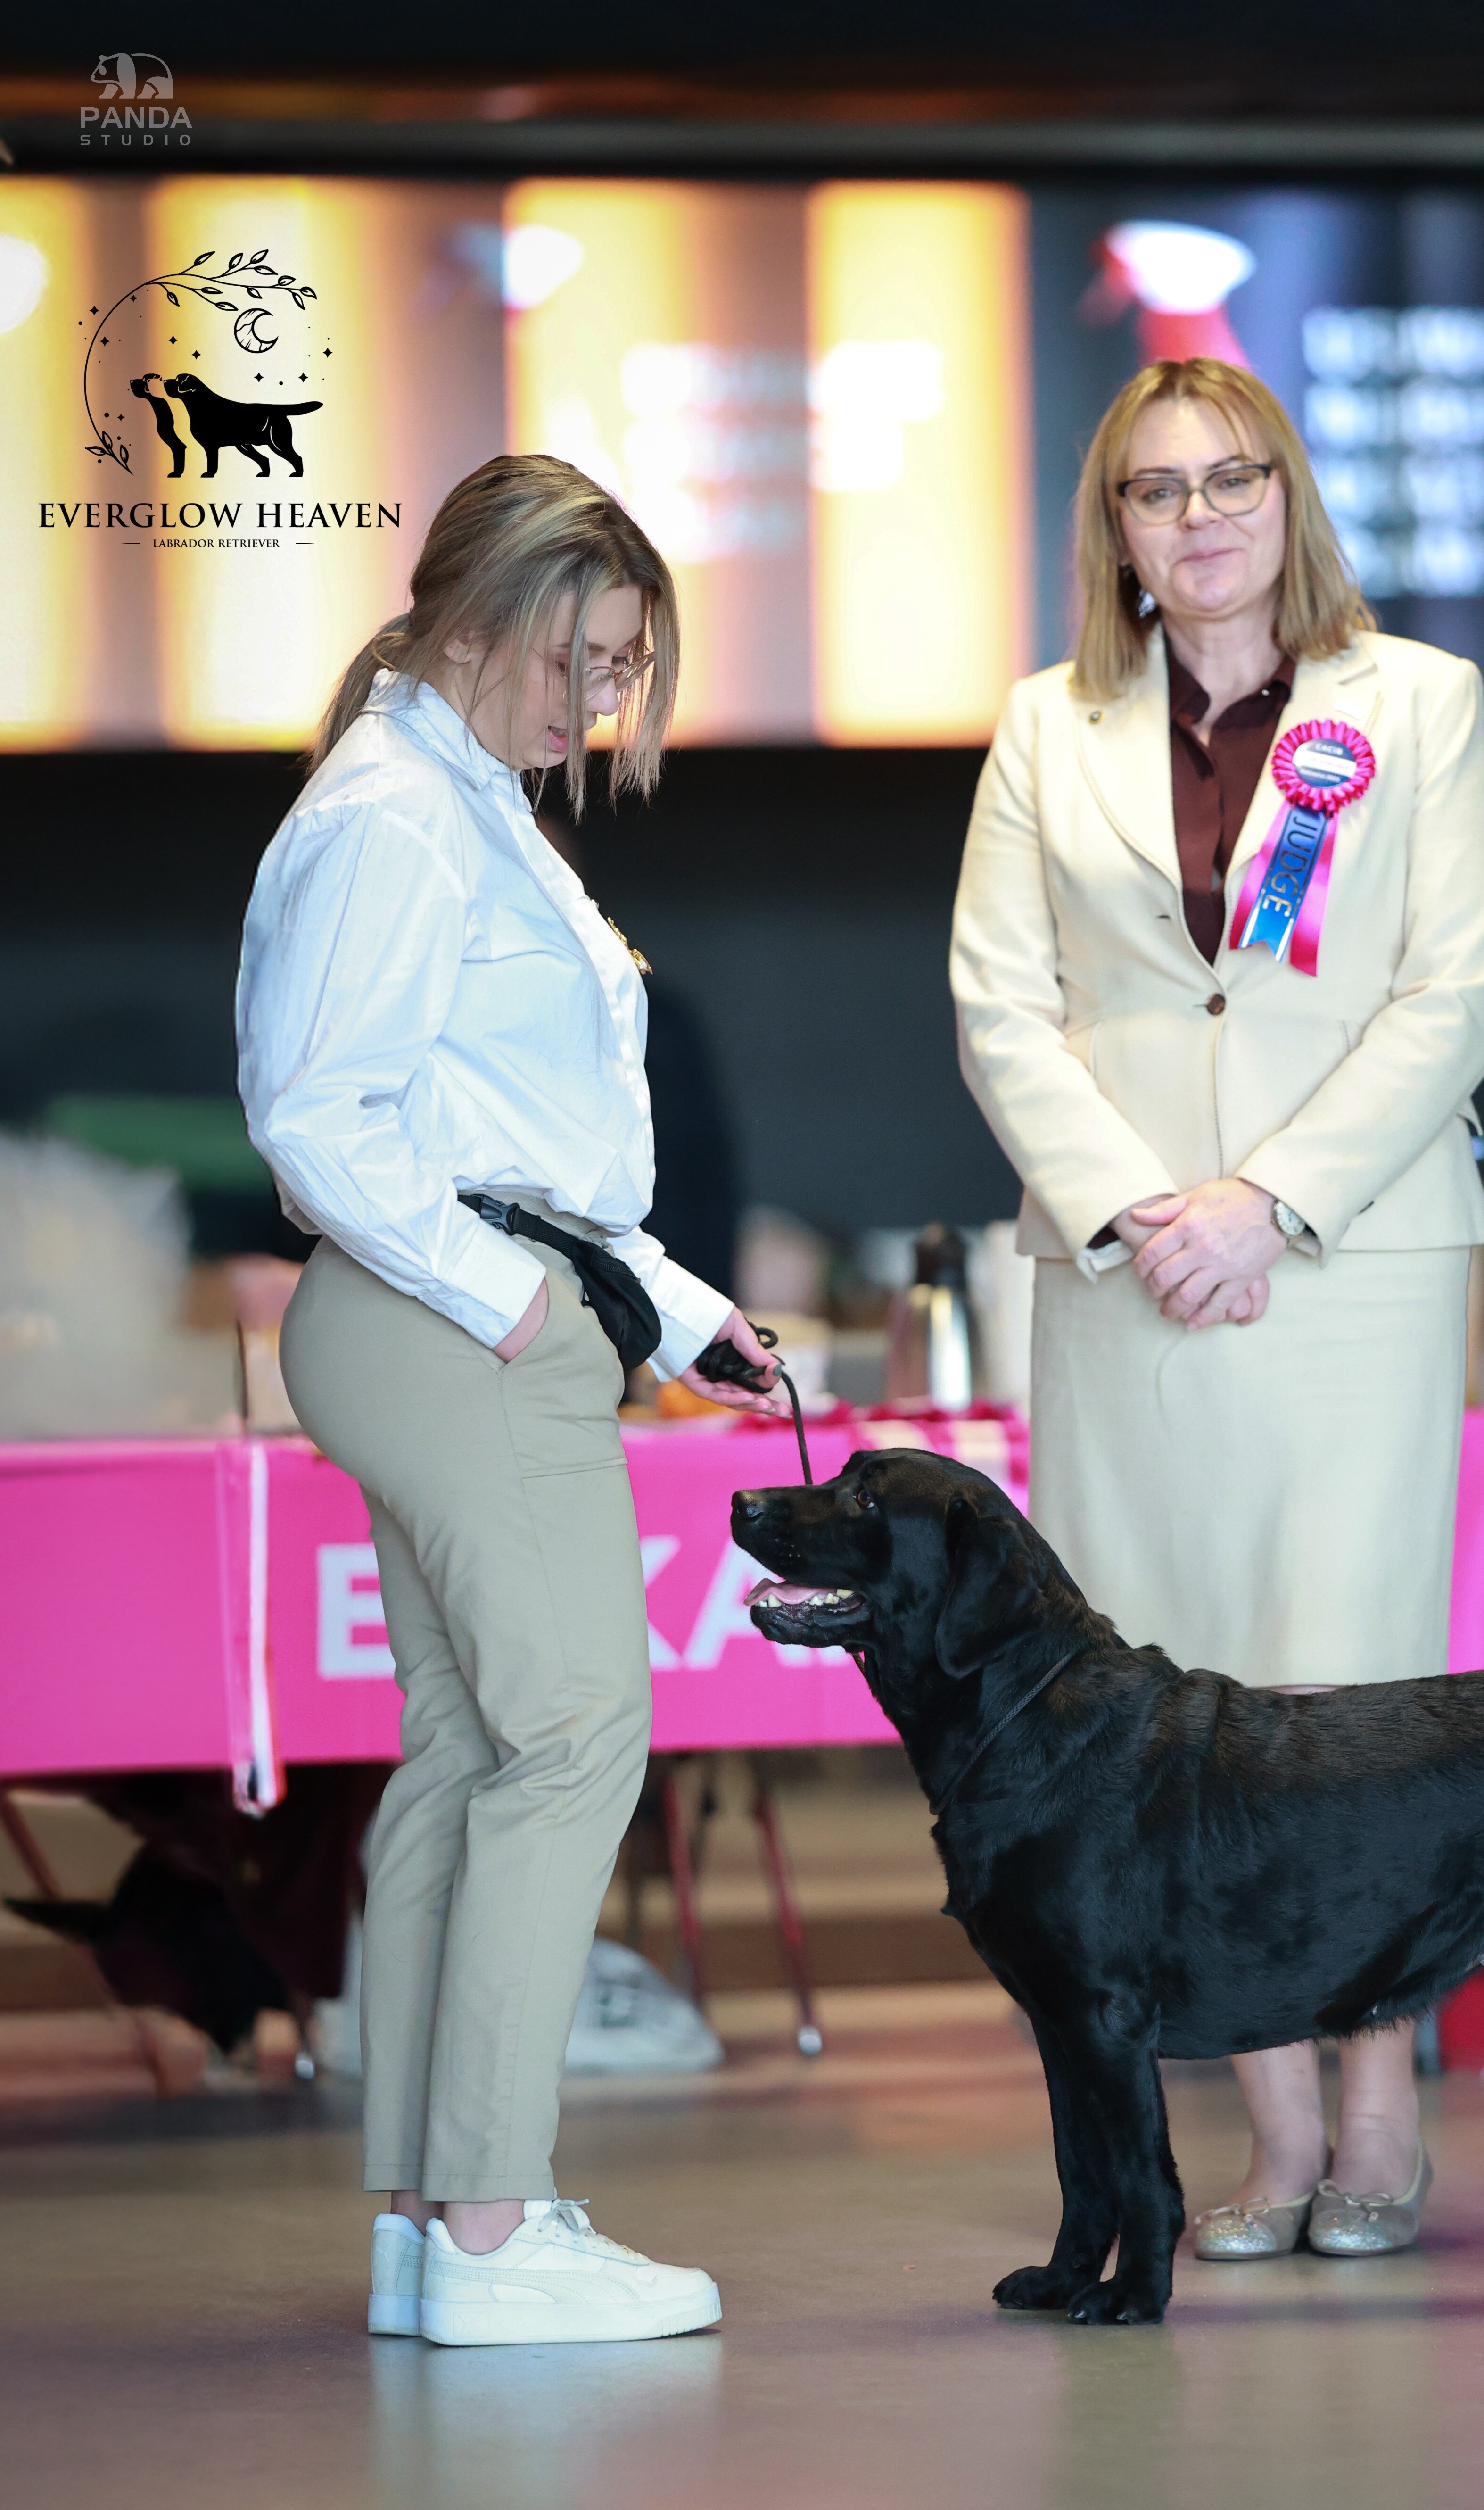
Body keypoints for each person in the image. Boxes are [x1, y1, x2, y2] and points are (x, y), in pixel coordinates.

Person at [950, 358, 1484, 2262]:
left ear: (1289, 497)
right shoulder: (1044, 728)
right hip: (1128, 1280)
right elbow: (1000, 1005)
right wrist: (1144, 1211)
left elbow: (1453, 994)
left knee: (1345, 1695)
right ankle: (1273, 2129)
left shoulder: (1416, 703)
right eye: (1154, 488)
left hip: (1350, 1261)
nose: (1196, 517)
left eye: (1230, 479)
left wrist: (1267, 1200)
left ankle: (1380, 2104)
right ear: (1111, 525)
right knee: (1175, 1711)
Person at [239, 455, 780, 2345]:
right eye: (578, 657)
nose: (598, 701)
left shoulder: (448, 800)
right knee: (571, 1737)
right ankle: (490, 2222)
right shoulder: (399, 815)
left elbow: (518, 1145)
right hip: (446, 1316)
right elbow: (319, 1119)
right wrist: (515, 1311)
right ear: (471, 617)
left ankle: (428, 2221)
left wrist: (677, 1313)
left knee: (475, 1750)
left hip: (451, 1304)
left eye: (623, 668)